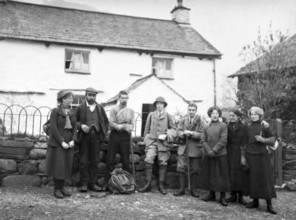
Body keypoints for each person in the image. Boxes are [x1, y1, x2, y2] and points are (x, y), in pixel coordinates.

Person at [242, 106, 277, 214]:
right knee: (253, 179)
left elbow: (273, 140)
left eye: (255, 114)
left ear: (259, 115)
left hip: (262, 156)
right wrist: (243, 156)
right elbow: (244, 143)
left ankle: (269, 204)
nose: (253, 116)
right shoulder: (247, 126)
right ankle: (255, 201)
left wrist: (263, 139)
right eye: (251, 114)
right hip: (250, 156)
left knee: (265, 179)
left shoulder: (264, 126)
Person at [139, 97, 177, 194]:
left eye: (161, 104)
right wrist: (147, 139)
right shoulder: (151, 115)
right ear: (155, 105)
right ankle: (148, 184)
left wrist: (167, 134)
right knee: (148, 159)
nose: (159, 105)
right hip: (152, 141)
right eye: (158, 103)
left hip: (163, 143)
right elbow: (146, 129)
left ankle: (161, 184)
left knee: (163, 162)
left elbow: (173, 129)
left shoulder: (168, 115)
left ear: (164, 105)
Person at [75, 87, 109, 192]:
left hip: (96, 137)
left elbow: (106, 122)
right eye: (90, 95)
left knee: (95, 161)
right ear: (86, 95)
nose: (91, 97)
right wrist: (81, 126)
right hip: (84, 138)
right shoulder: (80, 108)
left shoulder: (100, 108)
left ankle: (92, 184)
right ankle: (84, 184)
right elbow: (74, 122)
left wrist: (102, 134)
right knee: (84, 161)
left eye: (93, 95)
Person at [45, 90, 77, 199]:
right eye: (70, 98)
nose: (71, 100)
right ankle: (57, 189)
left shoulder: (72, 112)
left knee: (66, 165)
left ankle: (62, 187)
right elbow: (53, 128)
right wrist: (61, 141)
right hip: (58, 143)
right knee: (58, 166)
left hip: (69, 142)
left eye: (71, 98)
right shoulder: (55, 111)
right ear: (63, 99)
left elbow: (75, 127)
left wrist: (73, 140)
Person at [198, 106, 229, 206]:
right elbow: (203, 139)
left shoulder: (223, 126)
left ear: (219, 114)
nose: (214, 115)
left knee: (221, 176)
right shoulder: (206, 126)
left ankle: (222, 197)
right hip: (209, 154)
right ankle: (211, 194)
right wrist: (208, 151)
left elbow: (223, 140)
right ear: (210, 115)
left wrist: (214, 151)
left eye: (216, 113)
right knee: (210, 174)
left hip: (220, 155)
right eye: (212, 113)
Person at [174, 102, 204, 197]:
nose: (191, 112)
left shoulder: (200, 121)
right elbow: (177, 131)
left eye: (193, 110)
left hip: (195, 148)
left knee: (195, 169)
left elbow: (202, 134)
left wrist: (190, 133)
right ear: (188, 110)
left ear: (196, 111)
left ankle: (193, 190)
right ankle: (181, 189)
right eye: (189, 110)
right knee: (180, 168)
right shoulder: (183, 120)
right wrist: (183, 133)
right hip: (183, 147)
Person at [106, 91, 135, 180]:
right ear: (119, 98)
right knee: (110, 159)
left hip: (125, 136)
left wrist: (123, 126)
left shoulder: (131, 111)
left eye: (126, 98)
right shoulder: (114, 110)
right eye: (122, 98)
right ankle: (110, 181)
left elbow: (132, 125)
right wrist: (116, 126)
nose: (124, 100)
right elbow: (111, 123)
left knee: (126, 161)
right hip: (115, 135)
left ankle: (125, 182)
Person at [225, 108, 247, 205]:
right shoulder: (226, 127)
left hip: (240, 153)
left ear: (238, 116)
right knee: (232, 174)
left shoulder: (243, 127)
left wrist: (243, 155)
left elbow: (245, 141)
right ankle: (233, 195)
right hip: (230, 153)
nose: (231, 117)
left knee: (240, 175)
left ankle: (241, 197)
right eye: (230, 116)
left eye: (233, 115)